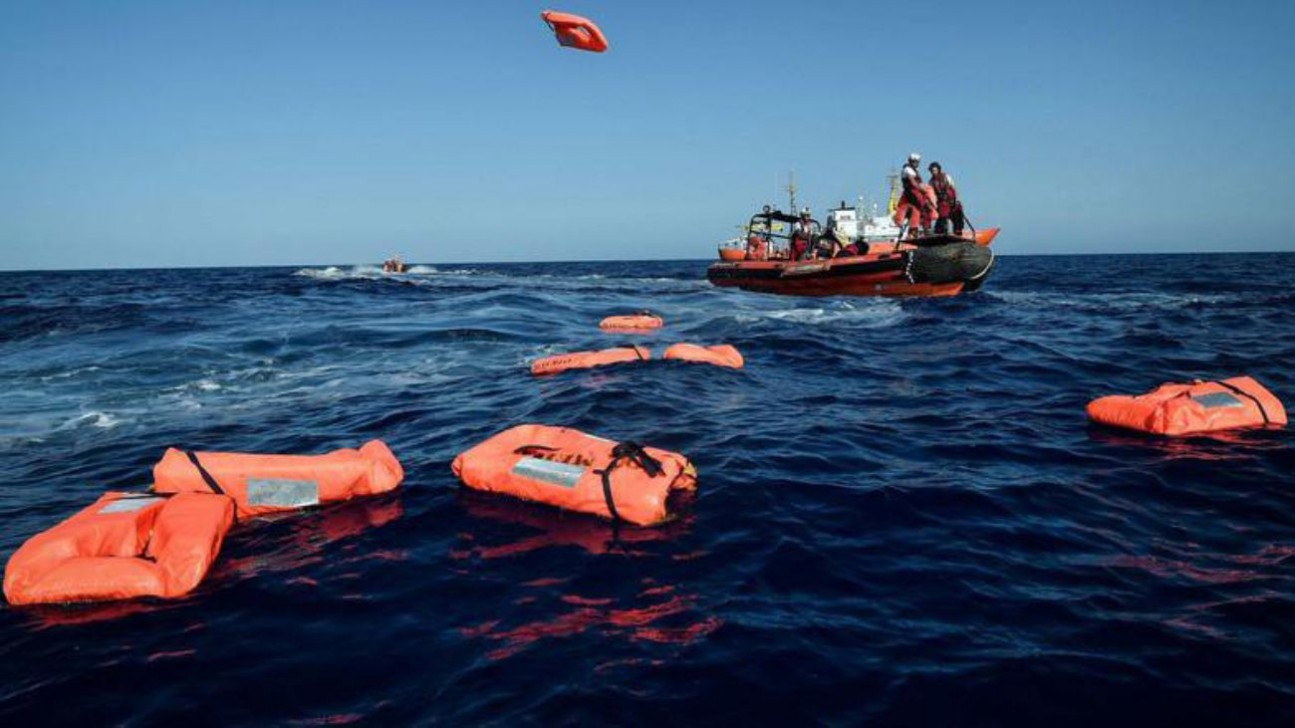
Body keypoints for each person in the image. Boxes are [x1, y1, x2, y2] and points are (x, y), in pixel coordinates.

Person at [894, 152, 934, 237]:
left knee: (920, 211)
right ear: (910, 161)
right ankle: (918, 232)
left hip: (916, 193)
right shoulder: (908, 170)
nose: (915, 163)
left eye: (917, 161)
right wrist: (922, 190)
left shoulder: (914, 170)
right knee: (922, 209)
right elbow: (913, 183)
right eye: (914, 161)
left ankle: (920, 231)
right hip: (912, 193)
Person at [928, 162, 965, 236]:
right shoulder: (931, 182)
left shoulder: (946, 177)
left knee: (958, 214)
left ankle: (958, 231)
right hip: (942, 202)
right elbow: (932, 194)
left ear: (938, 170)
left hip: (951, 199)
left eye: (935, 170)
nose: (933, 172)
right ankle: (941, 232)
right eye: (932, 171)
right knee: (943, 216)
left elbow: (953, 188)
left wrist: (957, 200)